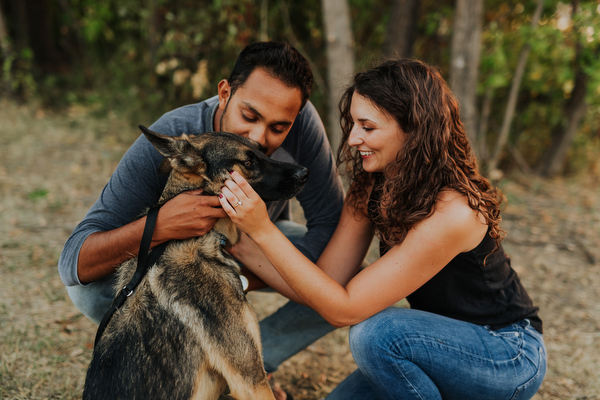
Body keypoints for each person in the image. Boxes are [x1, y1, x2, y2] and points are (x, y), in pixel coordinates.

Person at [219, 58, 546, 399]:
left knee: (375, 333)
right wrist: (243, 245)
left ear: (414, 129)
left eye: (368, 127)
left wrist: (263, 229)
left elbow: (343, 309)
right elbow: (326, 282)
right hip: (432, 350)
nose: (353, 138)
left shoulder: (454, 211)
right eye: (353, 123)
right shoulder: (372, 185)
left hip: (506, 354)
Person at [58, 41, 344, 384]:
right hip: (182, 260)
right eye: (249, 116)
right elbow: (75, 261)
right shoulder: (179, 133)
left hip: (258, 242)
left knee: (346, 279)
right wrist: (159, 225)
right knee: (88, 291)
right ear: (224, 93)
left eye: (278, 127)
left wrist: (240, 278)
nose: (258, 136)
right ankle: (189, 363)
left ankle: (241, 365)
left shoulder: (302, 124)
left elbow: (329, 222)